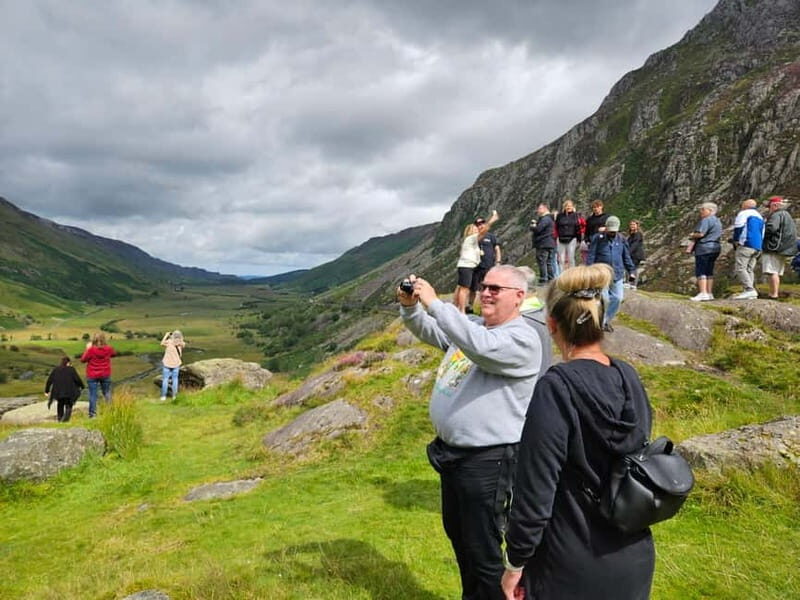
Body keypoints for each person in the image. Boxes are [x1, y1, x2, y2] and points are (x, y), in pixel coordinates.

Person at [501, 264, 655, 600]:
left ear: (552, 325)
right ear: (600, 323)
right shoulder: (628, 377)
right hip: (633, 555)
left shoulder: (556, 389)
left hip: (569, 562)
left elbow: (535, 491)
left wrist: (515, 563)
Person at [398, 265, 542, 600]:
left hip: (487, 459)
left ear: (519, 297)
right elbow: (434, 331)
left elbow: (478, 345)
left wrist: (436, 303)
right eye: (484, 286)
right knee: (460, 536)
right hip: (453, 455)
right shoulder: (474, 327)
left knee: (483, 548)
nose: (487, 292)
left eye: (496, 288)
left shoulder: (521, 339)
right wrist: (410, 307)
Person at [586, 215, 635, 332]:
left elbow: (626, 256)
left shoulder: (622, 239)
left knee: (618, 298)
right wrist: (589, 270)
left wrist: (631, 271)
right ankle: (600, 322)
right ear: (606, 228)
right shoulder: (598, 238)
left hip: (617, 273)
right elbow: (591, 255)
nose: (612, 233)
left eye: (614, 231)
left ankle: (605, 321)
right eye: (610, 230)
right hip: (601, 274)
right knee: (605, 298)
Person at [455, 211, 499, 313]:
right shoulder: (471, 238)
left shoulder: (472, 241)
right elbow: (484, 230)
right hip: (467, 266)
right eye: (474, 228)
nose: (477, 229)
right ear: (470, 231)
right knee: (464, 289)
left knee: (464, 288)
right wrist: (493, 219)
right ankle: (461, 310)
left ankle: (458, 307)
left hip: (471, 266)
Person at [761, 196, 798, 299]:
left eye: (769, 206)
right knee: (776, 272)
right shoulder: (787, 215)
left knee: (772, 271)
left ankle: (773, 294)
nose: (768, 209)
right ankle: (774, 293)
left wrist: (763, 233)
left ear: (775, 205)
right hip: (783, 248)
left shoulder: (776, 215)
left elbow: (772, 228)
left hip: (773, 248)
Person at [731, 198, 764, 300]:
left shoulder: (744, 214)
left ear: (746, 206)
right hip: (758, 246)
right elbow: (762, 232)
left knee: (740, 267)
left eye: (743, 204)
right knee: (749, 269)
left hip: (746, 244)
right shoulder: (760, 216)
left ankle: (749, 290)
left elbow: (739, 227)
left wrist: (736, 240)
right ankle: (751, 292)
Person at [688, 202, 722, 301]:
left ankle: (703, 292)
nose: (701, 212)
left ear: (710, 210)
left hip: (704, 247)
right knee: (709, 271)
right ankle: (709, 292)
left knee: (701, 270)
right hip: (715, 247)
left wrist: (692, 235)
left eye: (703, 209)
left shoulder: (706, 220)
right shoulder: (718, 221)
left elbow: (701, 234)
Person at [468, 216, 502, 312]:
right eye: (478, 224)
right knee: (473, 288)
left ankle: (486, 306)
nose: (480, 225)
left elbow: (497, 249)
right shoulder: (474, 236)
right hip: (475, 267)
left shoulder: (491, 236)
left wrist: (498, 262)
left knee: (487, 287)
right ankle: (470, 306)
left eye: (482, 223)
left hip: (488, 266)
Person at [80, 332, 115, 418]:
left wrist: (87, 349)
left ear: (93, 340)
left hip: (92, 374)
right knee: (107, 392)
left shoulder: (91, 350)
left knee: (93, 394)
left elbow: (83, 360)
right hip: (105, 373)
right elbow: (114, 354)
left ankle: (92, 415)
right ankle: (111, 412)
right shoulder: (108, 349)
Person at [44, 357, 85, 422]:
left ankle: (60, 419)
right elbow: (77, 379)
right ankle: (65, 420)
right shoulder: (71, 369)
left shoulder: (56, 369)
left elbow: (49, 380)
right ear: (68, 363)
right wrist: (82, 386)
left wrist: (47, 391)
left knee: (60, 404)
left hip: (58, 392)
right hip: (69, 392)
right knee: (69, 405)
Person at [530, 203, 556, 285]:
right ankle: (551, 279)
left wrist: (533, 226)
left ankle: (543, 279)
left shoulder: (545, 219)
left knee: (542, 261)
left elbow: (538, 229)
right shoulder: (551, 219)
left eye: (539, 208)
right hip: (550, 243)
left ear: (545, 208)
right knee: (549, 262)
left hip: (543, 243)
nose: (538, 210)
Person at [555, 200, 582, 271]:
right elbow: (556, 226)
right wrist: (556, 237)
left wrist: (579, 239)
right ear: (564, 207)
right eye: (567, 206)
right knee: (561, 259)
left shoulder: (576, 215)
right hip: (561, 239)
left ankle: (572, 275)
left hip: (572, 238)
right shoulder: (559, 216)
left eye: (570, 206)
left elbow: (578, 227)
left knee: (571, 258)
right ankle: (561, 275)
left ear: (573, 207)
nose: (568, 207)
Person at [160, 329, 186, 401]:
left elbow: (161, 343)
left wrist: (167, 335)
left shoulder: (169, 342)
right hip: (176, 364)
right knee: (175, 380)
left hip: (167, 364)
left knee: (165, 379)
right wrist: (179, 338)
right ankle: (174, 396)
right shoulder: (181, 344)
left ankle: (163, 396)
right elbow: (182, 342)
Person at [624, 220, 646, 288]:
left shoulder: (638, 234)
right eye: (631, 224)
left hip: (636, 255)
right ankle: (630, 283)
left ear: (637, 226)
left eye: (634, 224)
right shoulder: (632, 235)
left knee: (633, 269)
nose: (632, 226)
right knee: (630, 269)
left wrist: (627, 253)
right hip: (632, 255)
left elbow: (635, 245)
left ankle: (632, 284)